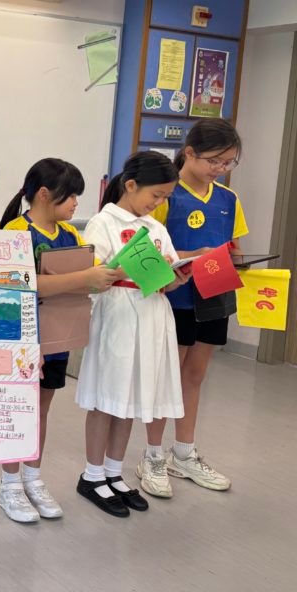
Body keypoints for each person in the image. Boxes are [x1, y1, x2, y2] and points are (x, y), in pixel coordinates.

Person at [0, 158, 120, 522]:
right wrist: (83, 279)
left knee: (42, 408)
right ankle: (9, 484)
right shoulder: (14, 231)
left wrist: (108, 274)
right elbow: (18, 284)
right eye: (70, 197)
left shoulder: (71, 237)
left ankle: (32, 478)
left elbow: (87, 278)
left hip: (57, 336)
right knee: (16, 410)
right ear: (44, 194)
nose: (76, 204)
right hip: (18, 338)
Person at [75, 151, 190, 518]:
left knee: (130, 397)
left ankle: (114, 472)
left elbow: (165, 276)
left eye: (165, 198)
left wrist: (176, 277)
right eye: (155, 195)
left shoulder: (156, 228)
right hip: (118, 314)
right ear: (130, 185)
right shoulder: (103, 221)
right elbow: (93, 273)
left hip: (152, 313)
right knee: (107, 397)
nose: (158, 204)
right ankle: (92, 475)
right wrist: (129, 265)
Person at [137, 120, 246, 497]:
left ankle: (183, 453)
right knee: (166, 377)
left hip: (214, 295)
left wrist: (237, 260)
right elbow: (145, 252)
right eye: (214, 161)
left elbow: (234, 247)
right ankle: (152, 455)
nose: (221, 169)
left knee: (195, 376)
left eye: (228, 163)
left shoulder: (228, 200)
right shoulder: (165, 196)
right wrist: (191, 255)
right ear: (189, 153)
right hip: (174, 298)